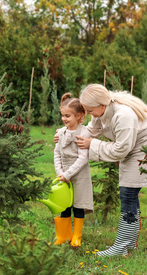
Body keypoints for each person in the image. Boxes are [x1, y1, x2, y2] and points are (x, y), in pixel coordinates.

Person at [55, 83, 147, 257]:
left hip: (144, 149)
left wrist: (92, 145)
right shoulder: (101, 111)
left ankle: (121, 247)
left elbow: (120, 149)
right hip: (130, 147)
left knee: (128, 194)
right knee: (130, 195)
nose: (88, 114)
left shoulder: (124, 116)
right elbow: (91, 131)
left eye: (90, 110)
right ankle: (129, 244)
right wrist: (66, 132)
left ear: (101, 105)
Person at [53, 93, 93, 247]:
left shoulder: (84, 133)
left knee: (78, 204)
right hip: (64, 173)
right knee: (65, 204)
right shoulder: (61, 133)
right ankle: (63, 235)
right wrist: (60, 173)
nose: (64, 119)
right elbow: (57, 152)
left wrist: (68, 174)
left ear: (79, 116)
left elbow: (83, 158)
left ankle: (76, 236)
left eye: (68, 116)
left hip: (79, 174)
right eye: (63, 115)